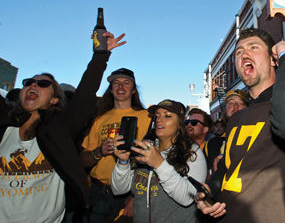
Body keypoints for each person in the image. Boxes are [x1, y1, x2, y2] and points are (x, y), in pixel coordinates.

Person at [196, 28, 285, 222]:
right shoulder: (238, 118)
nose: (244, 54)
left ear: (273, 59)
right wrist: (208, 191)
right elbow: (228, 170)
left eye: (253, 47)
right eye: (239, 52)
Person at [0, 31, 126, 222]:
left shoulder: (60, 128)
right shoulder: (4, 127)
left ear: (54, 99)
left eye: (43, 84)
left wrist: (101, 55)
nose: (34, 85)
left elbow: (85, 93)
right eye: (29, 82)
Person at [110, 99, 207, 223]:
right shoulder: (144, 149)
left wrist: (159, 164)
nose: (159, 120)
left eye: (167, 116)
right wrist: (123, 162)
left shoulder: (193, 152)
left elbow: (188, 197)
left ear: (180, 123)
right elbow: (118, 189)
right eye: (157, 116)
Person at [80, 68, 151, 222]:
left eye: (126, 83)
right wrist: (99, 152)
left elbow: (153, 161)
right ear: (111, 90)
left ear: (133, 90)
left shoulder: (146, 117)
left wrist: (136, 196)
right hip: (98, 192)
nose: (120, 87)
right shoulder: (99, 119)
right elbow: (83, 159)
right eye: (116, 83)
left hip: (130, 194)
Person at [204, 89, 248, 175]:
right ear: (225, 109)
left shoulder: (257, 135)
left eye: (241, 103)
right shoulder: (212, 143)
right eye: (231, 103)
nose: (236, 106)